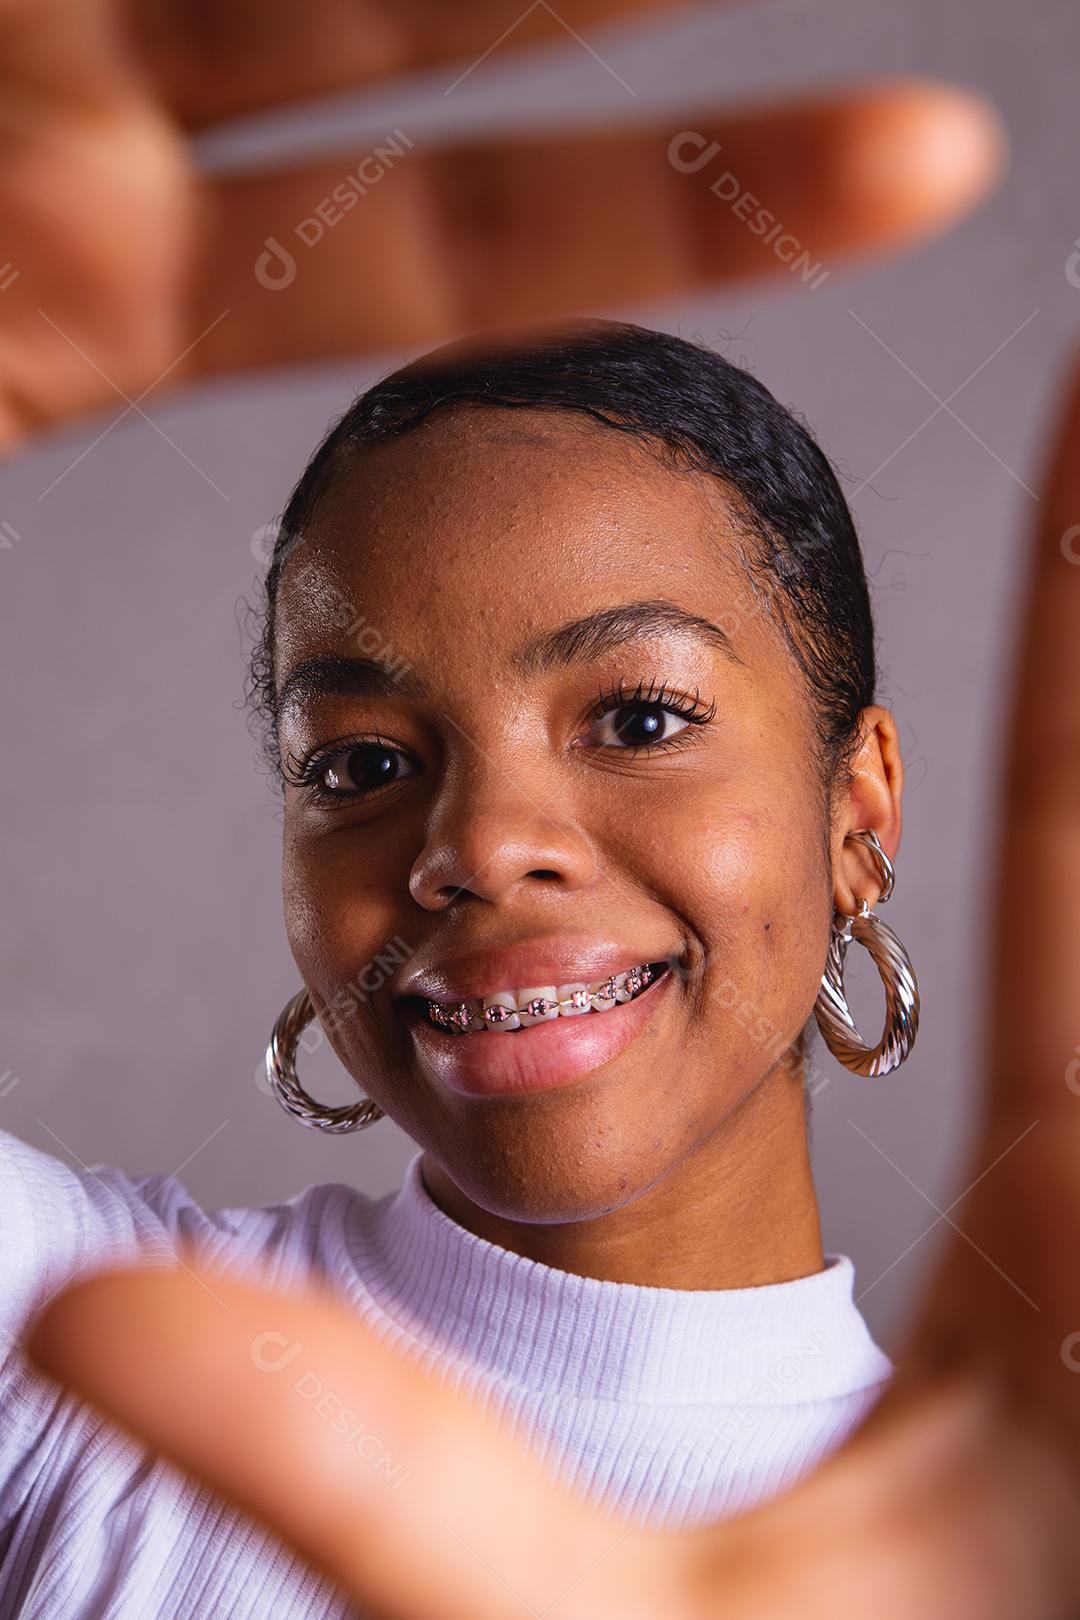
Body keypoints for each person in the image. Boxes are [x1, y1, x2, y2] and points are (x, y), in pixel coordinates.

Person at [11, 4, 1075, 1618]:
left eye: (640, 718)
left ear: (856, 811)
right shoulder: (59, 1338)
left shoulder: (1001, 1547)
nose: (478, 845)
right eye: (362, 763)